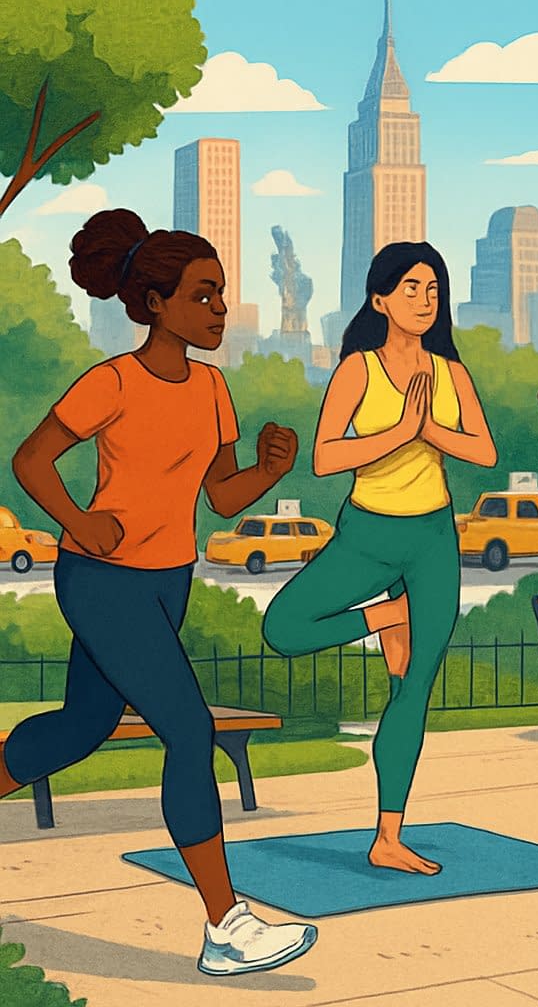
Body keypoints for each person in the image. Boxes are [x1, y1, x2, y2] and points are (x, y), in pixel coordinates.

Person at [0, 209, 316, 976]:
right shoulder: (112, 381)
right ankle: (225, 927)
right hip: (102, 580)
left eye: (222, 295)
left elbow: (222, 497)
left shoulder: (211, 389)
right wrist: (81, 521)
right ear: (153, 303)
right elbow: (32, 459)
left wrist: (270, 472)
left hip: (166, 581)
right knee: (188, 729)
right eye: (204, 296)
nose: (220, 311)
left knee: (80, 728)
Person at [262, 241, 496, 875]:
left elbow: (483, 451)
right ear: (380, 299)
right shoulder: (358, 370)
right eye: (412, 288)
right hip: (367, 532)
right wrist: (400, 431)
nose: (424, 299)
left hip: (432, 539)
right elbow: (326, 458)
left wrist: (428, 430)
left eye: (433, 289)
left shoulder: (450, 372)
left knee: (413, 686)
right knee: (282, 628)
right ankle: (385, 617)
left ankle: (388, 835)